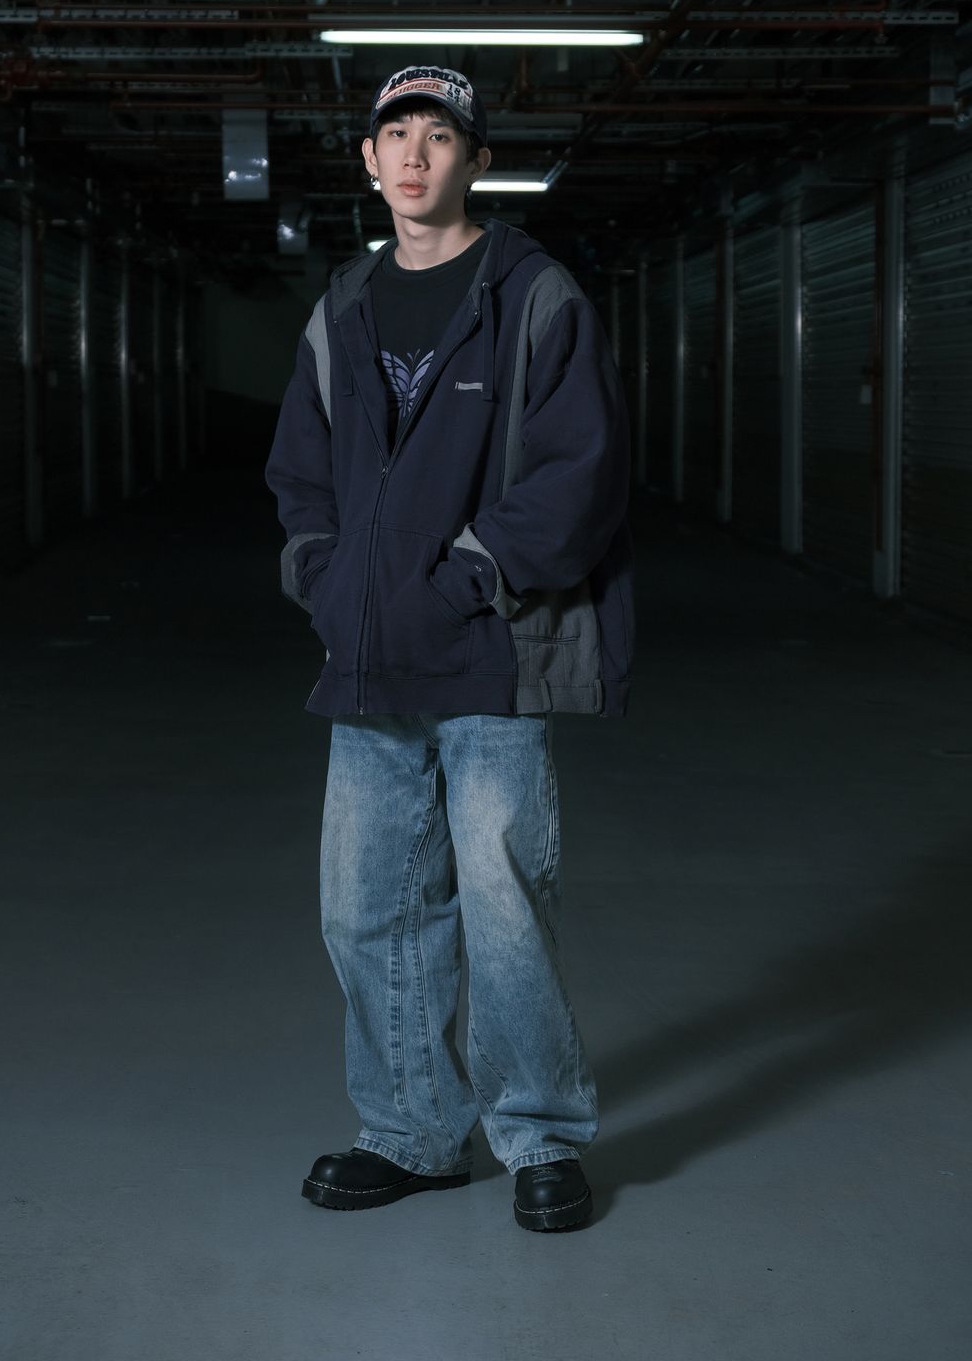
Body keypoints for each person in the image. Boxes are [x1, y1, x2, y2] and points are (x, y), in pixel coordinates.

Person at [265, 63, 635, 1232]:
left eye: (439, 135)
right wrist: (322, 578)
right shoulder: (343, 306)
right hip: (369, 659)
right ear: (369, 161)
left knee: (502, 906)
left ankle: (540, 1136)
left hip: (493, 654)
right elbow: (300, 471)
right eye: (396, 135)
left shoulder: (534, 295)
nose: (415, 155)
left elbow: (581, 473)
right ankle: (415, 1134)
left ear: (475, 158)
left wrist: (467, 577)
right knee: (364, 910)